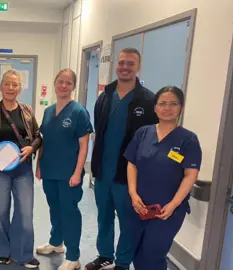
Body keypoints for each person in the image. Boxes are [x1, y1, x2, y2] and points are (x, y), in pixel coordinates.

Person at [86, 48, 158, 270]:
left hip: (128, 175)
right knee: (104, 217)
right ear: (116, 65)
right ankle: (105, 255)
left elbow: (153, 138)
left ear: (138, 67)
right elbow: (99, 131)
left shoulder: (148, 100)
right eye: (122, 63)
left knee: (128, 221)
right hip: (103, 171)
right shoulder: (105, 96)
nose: (125, 67)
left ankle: (123, 262)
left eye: (131, 63)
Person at [124, 86, 201, 270]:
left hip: (168, 210)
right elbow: (132, 164)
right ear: (155, 108)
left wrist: (173, 204)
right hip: (139, 206)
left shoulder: (188, 140)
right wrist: (133, 194)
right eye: (163, 103)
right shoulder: (143, 133)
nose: (167, 108)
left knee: (153, 254)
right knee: (136, 252)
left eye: (173, 104)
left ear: (181, 108)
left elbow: (190, 175)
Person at [0, 70, 42, 269]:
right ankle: (2, 251)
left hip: (22, 170)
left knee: (25, 211)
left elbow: (38, 135)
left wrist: (32, 147)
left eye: (15, 85)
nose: (11, 88)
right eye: (7, 84)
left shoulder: (27, 111)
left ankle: (23, 253)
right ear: (1, 86)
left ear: (20, 88)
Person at [35, 68, 92, 270]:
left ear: (73, 86)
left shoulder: (79, 112)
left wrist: (78, 173)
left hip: (69, 173)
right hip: (50, 170)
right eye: (60, 81)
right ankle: (56, 243)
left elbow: (84, 146)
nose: (64, 86)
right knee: (54, 208)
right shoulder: (49, 111)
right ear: (54, 83)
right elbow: (43, 140)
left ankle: (74, 256)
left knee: (69, 211)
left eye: (68, 83)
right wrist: (39, 164)